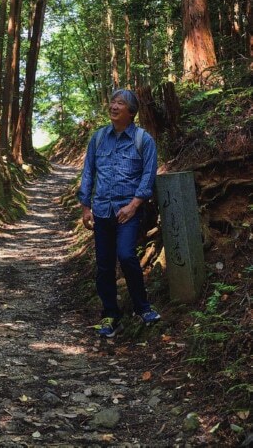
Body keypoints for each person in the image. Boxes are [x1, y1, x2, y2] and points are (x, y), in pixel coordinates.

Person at [77, 89, 160, 338]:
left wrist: (134, 205)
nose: (113, 106)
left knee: (126, 255)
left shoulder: (143, 140)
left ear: (131, 112)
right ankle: (110, 315)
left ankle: (142, 307)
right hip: (102, 210)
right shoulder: (99, 138)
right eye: (112, 101)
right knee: (104, 266)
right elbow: (88, 171)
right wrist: (85, 206)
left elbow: (148, 176)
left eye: (120, 103)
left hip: (128, 211)